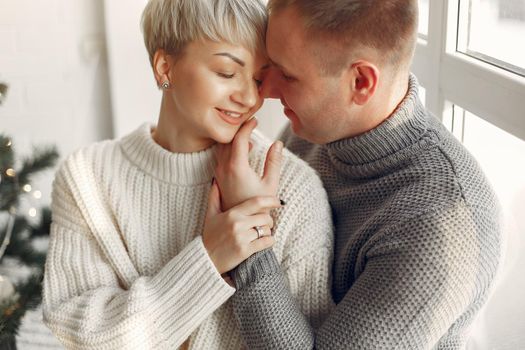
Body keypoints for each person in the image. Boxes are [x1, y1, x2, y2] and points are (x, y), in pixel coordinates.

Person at [42, 0, 334, 348]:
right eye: (227, 73)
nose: (248, 97)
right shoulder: (86, 178)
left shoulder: (294, 188)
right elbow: (81, 334)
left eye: (258, 78)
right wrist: (209, 258)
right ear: (165, 67)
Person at [221, 0, 503, 349]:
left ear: (361, 81)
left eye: (288, 74)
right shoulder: (313, 130)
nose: (266, 90)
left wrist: (248, 234)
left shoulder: (439, 227)